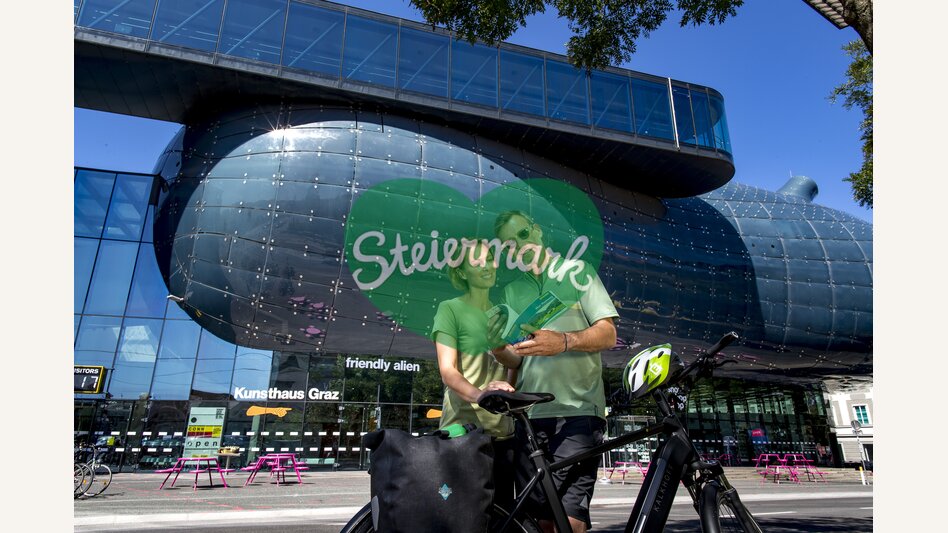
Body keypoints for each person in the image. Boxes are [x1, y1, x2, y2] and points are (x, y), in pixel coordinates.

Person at [490, 210, 619, 533]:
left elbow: (608, 334)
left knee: (569, 522)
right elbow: (518, 360)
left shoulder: (578, 272)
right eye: (509, 245)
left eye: (522, 235)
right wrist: (495, 346)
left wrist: (563, 341)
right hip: (530, 418)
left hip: (577, 413)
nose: (519, 246)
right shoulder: (511, 292)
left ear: (537, 231)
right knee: (540, 523)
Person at [431, 240, 518, 508]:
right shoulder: (450, 308)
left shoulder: (505, 313)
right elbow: (448, 371)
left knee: (502, 516)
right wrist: (482, 396)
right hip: (462, 433)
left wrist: (508, 386)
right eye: (476, 261)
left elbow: (516, 364)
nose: (487, 265)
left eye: (490, 258)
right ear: (461, 272)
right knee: (461, 516)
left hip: (504, 435)